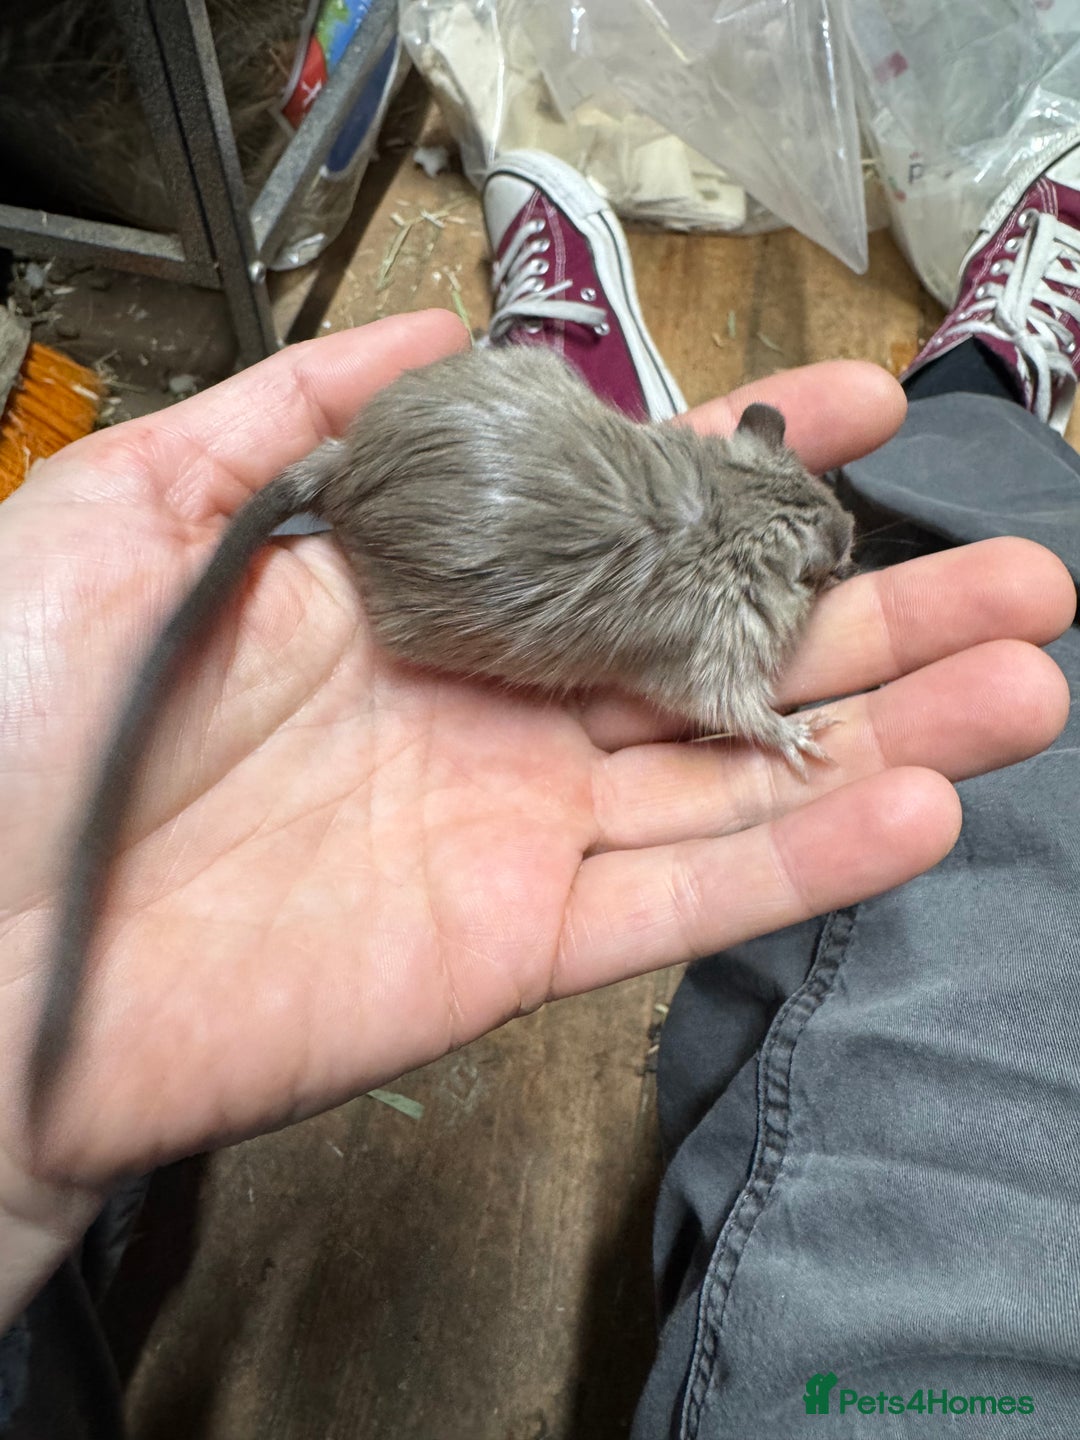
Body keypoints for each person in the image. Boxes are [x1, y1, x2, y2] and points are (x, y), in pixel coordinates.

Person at [0, 146, 1075, 1438]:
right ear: (779, 574)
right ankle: (987, 395)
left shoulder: (715, 472)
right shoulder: (727, 621)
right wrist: (770, 737)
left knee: (532, 403)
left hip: (452, 457)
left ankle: (904, 396)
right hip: (434, 575)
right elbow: (721, 691)